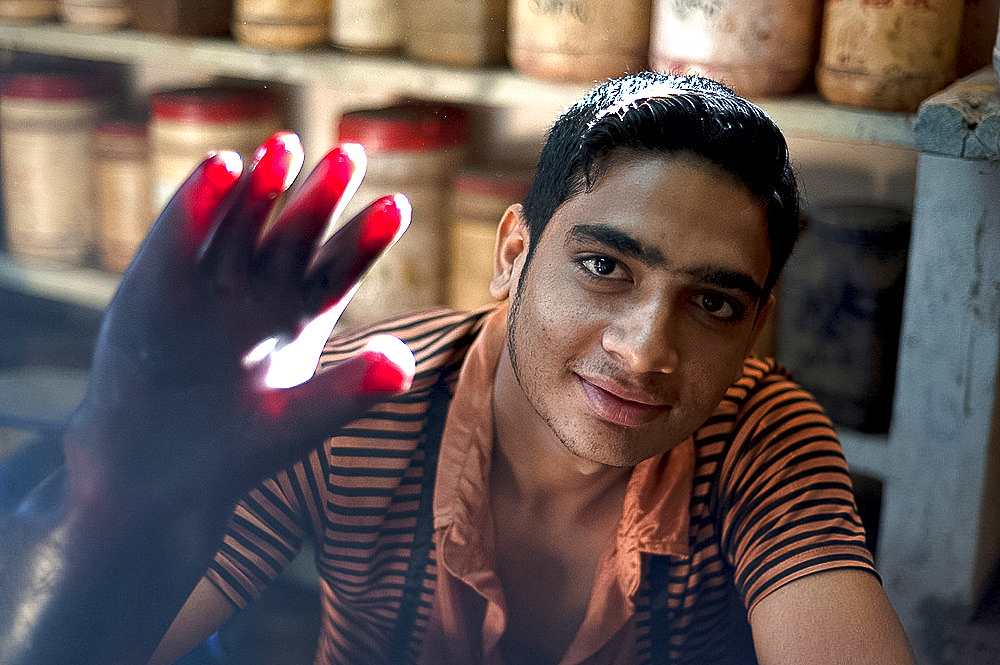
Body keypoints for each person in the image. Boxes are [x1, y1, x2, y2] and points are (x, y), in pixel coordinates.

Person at [0, 72, 914, 665]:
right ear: (512, 253)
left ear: (758, 324)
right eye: (605, 267)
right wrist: (106, 519)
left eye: (713, 302)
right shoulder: (343, 405)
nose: (644, 348)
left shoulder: (761, 436)